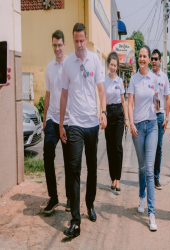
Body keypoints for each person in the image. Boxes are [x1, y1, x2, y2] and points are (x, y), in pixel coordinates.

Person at [60, 22, 107, 238]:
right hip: (75, 124)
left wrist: (103, 111)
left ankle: (90, 204)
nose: (79, 44)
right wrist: (61, 123)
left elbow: (101, 90)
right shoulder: (68, 63)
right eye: (76, 41)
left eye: (81, 41)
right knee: (74, 168)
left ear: (86, 39)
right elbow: (63, 95)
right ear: (73, 40)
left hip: (92, 123)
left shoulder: (95, 60)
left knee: (92, 168)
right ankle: (76, 221)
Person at [128, 45, 159, 231]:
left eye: (145, 56)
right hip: (137, 127)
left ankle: (151, 214)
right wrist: (131, 123)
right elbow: (130, 102)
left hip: (152, 125)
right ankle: (141, 196)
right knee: (141, 167)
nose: (142, 58)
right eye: (140, 56)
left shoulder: (154, 78)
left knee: (149, 169)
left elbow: (156, 100)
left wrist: (158, 108)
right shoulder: (133, 79)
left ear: (149, 60)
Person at [43, 30, 71, 215]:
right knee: (47, 157)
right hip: (52, 119)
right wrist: (45, 118)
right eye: (54, 45)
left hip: (68, 121)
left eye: (60, 44)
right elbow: (47, 94)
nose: (57, 48)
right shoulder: (49, 67)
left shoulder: (70, 65)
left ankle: (70, 197)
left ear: (64, 45)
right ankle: (53, 198)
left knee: (70, 161)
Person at [104, 52, 129, 193]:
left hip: (119, 114)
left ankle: (118, 179)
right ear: (108, 65)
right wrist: (102, 115)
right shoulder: (104, 81)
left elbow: (123, 101)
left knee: (118, 146)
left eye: (115, 65)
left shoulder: (120, 81)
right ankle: (112, 177)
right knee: (110, 147)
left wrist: (126, 118)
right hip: (108, 114)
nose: (113, 67)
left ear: (117, 66)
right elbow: (102, 100)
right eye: (111, 65)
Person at [151, 49, 170, 190]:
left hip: (159, 116)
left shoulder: (164, 77)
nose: (153, 61)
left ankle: (156, 178)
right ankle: (148, 177)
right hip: (148, 115)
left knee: (158, 148)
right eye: (152, 58)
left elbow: (167, 98)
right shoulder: (147, 75)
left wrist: (167, 119)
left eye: (156, 59)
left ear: (160, 61)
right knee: (148, 148)